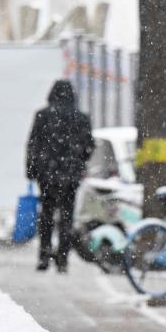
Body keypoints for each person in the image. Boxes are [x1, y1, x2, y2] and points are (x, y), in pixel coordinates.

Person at [26, 80, 94, 272]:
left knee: (46, 215)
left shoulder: (42, 116)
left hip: (47, 175)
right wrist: (78, 159)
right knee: (66, 216)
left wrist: (31, 170)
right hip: (70, 176)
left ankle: (44, 256)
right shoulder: (81, 118)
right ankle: (63, 259)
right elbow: (89, 147)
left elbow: (33, 144)